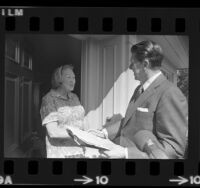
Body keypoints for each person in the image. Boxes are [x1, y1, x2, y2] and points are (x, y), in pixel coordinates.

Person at [90, 40, 188, 159]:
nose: (130, 67)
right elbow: (127, 122)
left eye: (133, 63)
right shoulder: (139, 89)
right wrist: (103, 133)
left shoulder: (170, 93)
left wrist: (126, 154)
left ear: (145, 64)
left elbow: (173, 151)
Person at [40, 65, 100, 158]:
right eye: (68, 77)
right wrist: (80, 135)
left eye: (74, 77)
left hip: (81, 151)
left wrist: (91, 136)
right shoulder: (49, 99)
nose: (72, 80)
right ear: (59, 79)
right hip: (61, 154)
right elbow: (53, 132)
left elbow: (82, 119)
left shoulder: (74, 97)